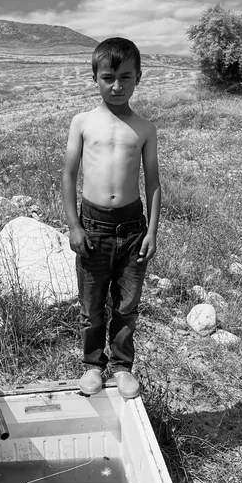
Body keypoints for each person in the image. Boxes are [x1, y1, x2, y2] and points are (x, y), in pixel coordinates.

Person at [62, 37, 161, 399]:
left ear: (138, 78)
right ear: (96, 78)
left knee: (126, 305)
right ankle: (92, 364)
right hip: (93, 227)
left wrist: (152, 231)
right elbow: (68, 175)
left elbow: (153, 182)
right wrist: (74, 226)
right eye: (108, 78)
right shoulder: (83, 122)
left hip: (133, 228)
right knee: (91, 306)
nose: (117, 86)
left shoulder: (145, 128)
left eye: (125, 77)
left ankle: (121, 367)